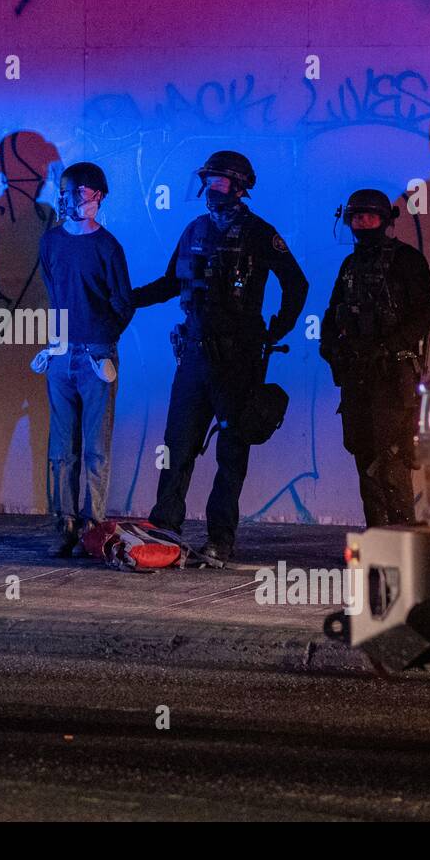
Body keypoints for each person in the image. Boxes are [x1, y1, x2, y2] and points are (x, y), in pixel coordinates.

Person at [131, 151, 309, 568]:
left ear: (241, 186)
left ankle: (220, 539)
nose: (212, 188)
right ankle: (165, 531)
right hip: (192, 358)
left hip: (237, 362)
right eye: (209, 180)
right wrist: (125, 299)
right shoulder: (194, 229)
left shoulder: (260, 234)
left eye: (221, 182)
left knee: (231, 452)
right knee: (177, 447)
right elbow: (168, 284)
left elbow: (296, 283)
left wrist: (273, 331)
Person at [321, 189, 430, 526]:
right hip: (359, 376)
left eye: (369, 217)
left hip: (392, 374)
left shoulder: (406, 260)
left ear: (385, 221)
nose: (362, 224)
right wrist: (330, 348)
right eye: (357, 218)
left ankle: (401, 540)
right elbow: (333, 313)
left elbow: (427, 311)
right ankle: (376, 538)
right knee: (364, 455)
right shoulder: (351, 265)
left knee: (391, 460)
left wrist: (388, 346)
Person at [37, 162, 133, 557]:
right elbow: (52, 290)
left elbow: (122, 303)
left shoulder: (108, 247)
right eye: (75, 193)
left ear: (99, 198)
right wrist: (53, 343)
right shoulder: (51, 242)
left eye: (88, 194)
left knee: (96, 446)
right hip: (61, 353)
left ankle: (93, 525)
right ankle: (65, 524)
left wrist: (104, 344)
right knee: (61, 448)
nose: (82, 201)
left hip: (96, 354)